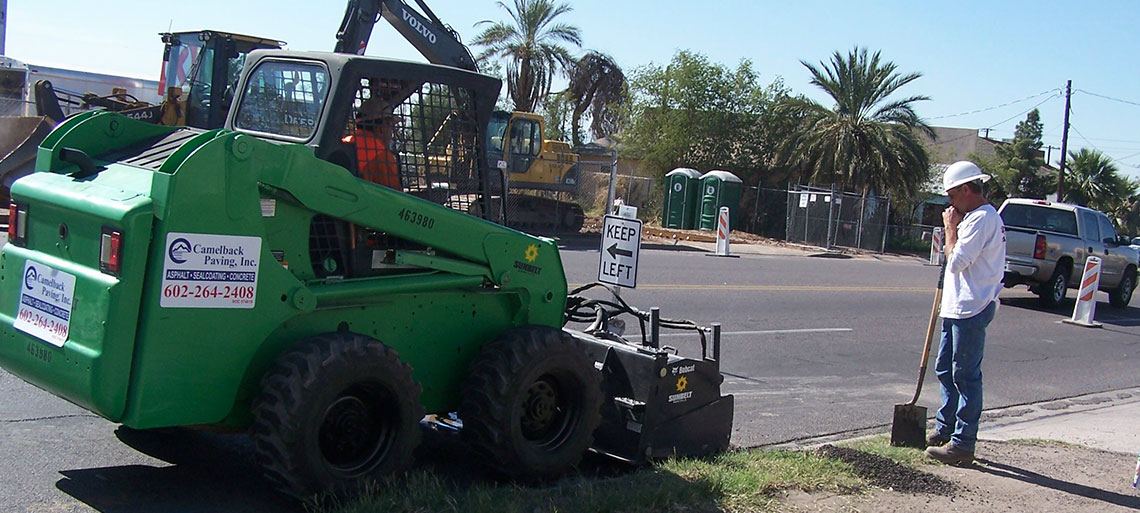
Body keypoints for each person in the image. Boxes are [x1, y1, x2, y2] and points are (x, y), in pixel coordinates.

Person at [925, 160, 1006, 465]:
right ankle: (945, 428)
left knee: (966, 376)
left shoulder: (981, 219)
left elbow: (957, 261)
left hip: (973, 306)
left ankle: (963, 443)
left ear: (966, 189)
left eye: (952, 195)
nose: (950, 203)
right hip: (958, 305)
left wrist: (949, 229)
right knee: (945, 369)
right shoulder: (976, 218)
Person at [343, 99, 400, 189]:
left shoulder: (344, 143)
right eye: (391, 126)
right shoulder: (381, 155)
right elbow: (393, 197)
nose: (391, 132)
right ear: (382, 127)